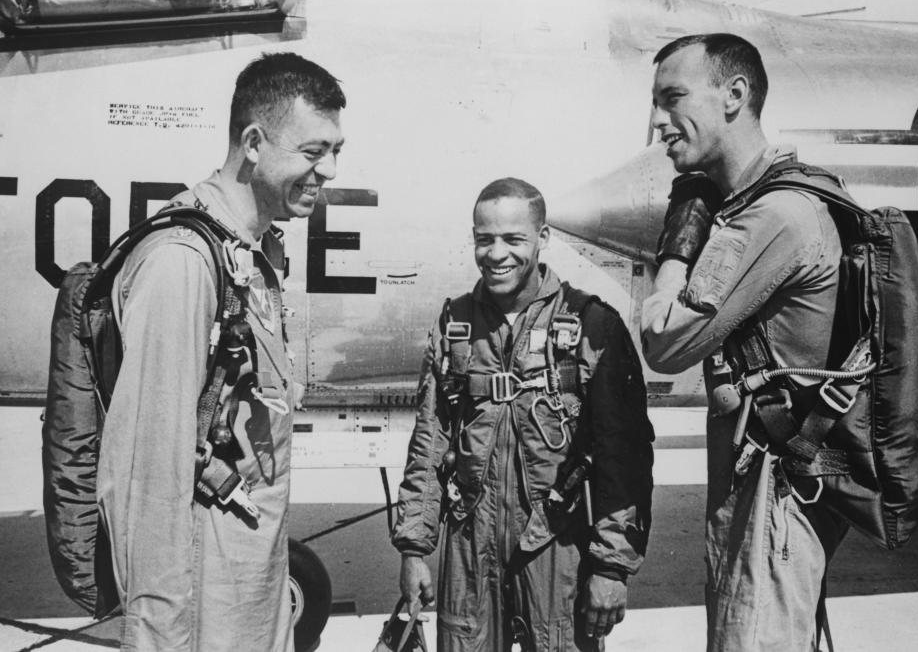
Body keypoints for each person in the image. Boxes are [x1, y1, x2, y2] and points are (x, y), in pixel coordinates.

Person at [96, 52, 345, 651]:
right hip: (204, 603)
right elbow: (146, 476)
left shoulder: (250, 253)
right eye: (313, 152)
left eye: (337, 150)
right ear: (254, 141)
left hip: (249, 589)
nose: (330, 170)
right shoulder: (183, 263)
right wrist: (159, 637)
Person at [640, 33, 848, 651]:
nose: (657, 122)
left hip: (773, 493)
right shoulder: (767, 200)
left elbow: (665, 342)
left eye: (673, 97)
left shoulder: (771, 215)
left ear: (734, 95)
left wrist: (681, 239)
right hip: (769, 481)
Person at [392, 177, 654, 651]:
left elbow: (624, 457)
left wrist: (612, 566)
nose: (496, 254)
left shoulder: (593, 325)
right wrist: (414, 549)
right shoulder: (455, 326)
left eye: (513, 239)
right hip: (470, 547)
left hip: (555, 545)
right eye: (484, 239)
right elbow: (429, 443)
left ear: (543, 239)